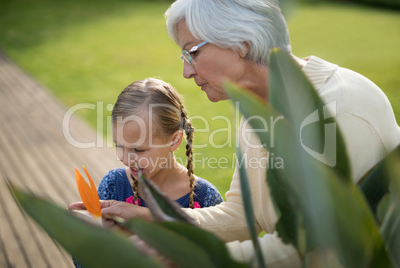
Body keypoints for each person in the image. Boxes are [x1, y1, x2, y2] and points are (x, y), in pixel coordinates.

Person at [71, 1, 400, 267]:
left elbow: (315, 247)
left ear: (241, 42)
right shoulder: (255, 110)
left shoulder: (339, 109)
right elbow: (241, 217)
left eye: (192, 52)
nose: (186, 71)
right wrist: (157, 217)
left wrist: (187, 254)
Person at [71, 78, 223, 267]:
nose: (126, 159)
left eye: (139, 150)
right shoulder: (114, 185)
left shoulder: (206, 199)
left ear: (174, 140)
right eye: (119, 146)